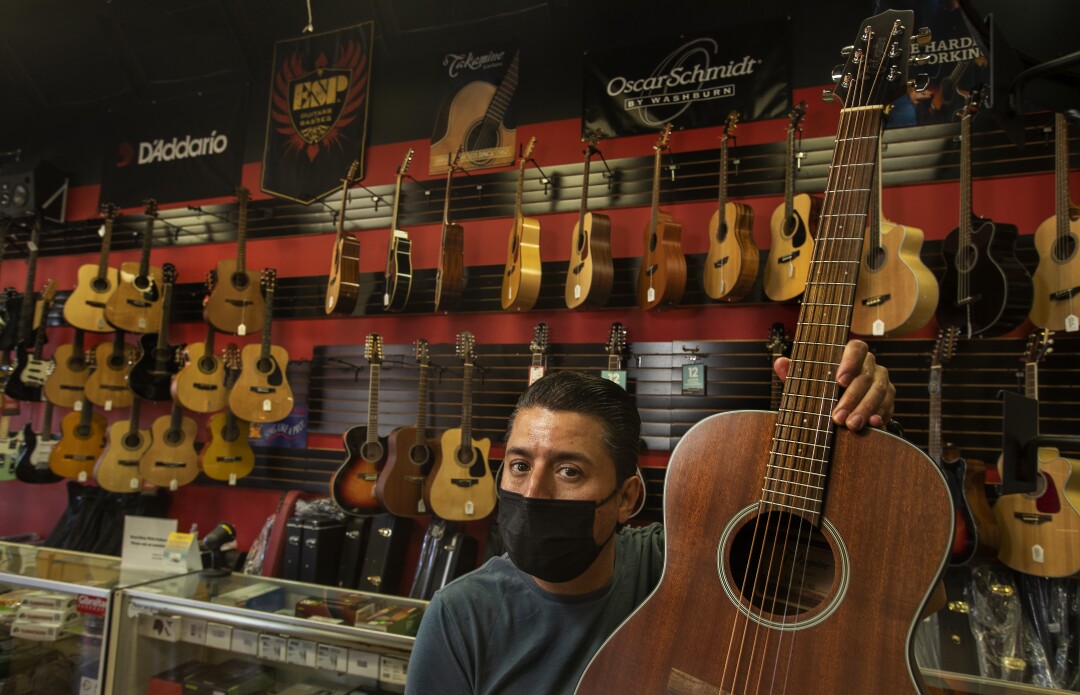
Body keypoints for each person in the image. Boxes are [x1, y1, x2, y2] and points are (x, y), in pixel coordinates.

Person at [405, 340, 897, 695]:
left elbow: (882, 592)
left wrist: (863, 435)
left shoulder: (690, 563)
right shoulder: (459, 616)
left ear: (628, 498)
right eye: (518, 465)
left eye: (569, 471)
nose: (533, 493)